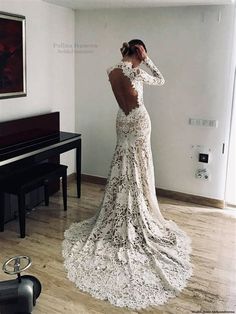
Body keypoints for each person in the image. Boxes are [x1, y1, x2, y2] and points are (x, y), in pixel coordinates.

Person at [62, 39, 192, 309]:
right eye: (143, 53)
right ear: (138, 52)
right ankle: (138, 208)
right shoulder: (137, 72)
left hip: (122, 121)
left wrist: (139, 57)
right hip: (139, 121)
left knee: (123, 161)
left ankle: (123, 205)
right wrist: (148, 60)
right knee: (139, 164)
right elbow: (161, 79)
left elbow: (125, 88)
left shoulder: (111, 70)